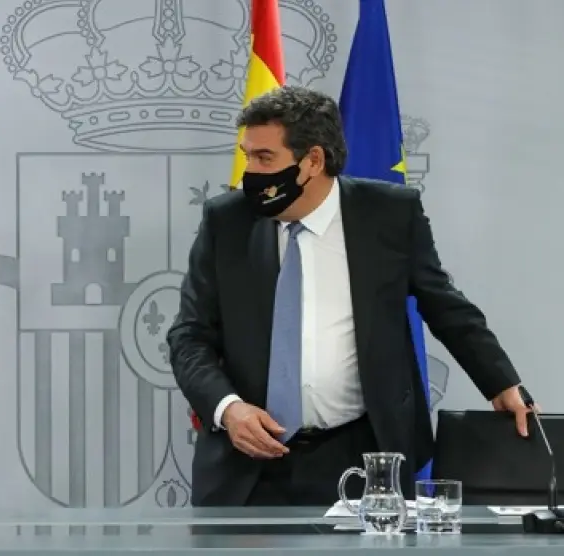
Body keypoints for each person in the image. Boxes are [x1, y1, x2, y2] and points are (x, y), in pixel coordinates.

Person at [167, 86, 527, 507]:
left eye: (264, 158)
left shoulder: (389, 214)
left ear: (313, 161)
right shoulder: (226, 220)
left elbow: (445, 305)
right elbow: (189, 336)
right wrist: (229, 409)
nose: (250, 173)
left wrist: (501, 383)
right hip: (246, 461)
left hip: (362, 457)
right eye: (248, 156)